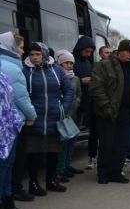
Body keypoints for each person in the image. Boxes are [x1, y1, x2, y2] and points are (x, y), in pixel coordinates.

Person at [90, 39, 130, 185]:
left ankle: (116, 172)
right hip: (109, 111)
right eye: (128, 52)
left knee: (122, 144)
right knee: (107, 144)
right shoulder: (104, 65)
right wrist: (106, 107)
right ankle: (103, 173)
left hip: (127, 112)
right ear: (120, 51)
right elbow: (96, 87)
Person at [23, 42, 73, 195]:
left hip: (54, 118)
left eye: (37, 54)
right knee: (34, 153)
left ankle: (51, 180)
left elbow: (68, 90)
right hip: (34, 119)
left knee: (53, 151)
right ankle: (33, 183)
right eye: (31, 54)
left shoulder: (57, 71)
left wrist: (63, 108)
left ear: (44, 54)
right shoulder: (25, 71)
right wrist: (29, 111)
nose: (34, 57)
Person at [0, 32, 35, 209]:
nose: (23, 52)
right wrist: (31, 115)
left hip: (7, 123)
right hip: (8, 126)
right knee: (6, 165)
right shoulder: (12, 68)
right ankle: (5, 202)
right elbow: (20, 97)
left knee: (7, 165)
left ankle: (6, 202)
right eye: (21, 47)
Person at [0, 62, 24, 209]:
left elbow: (11, 102)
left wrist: (16, 123)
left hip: (8, 130)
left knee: (8, 166)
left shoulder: (3, 76)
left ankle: (6, 198)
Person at [54, 50, 83, 182]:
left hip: (73, 114)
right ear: (60, 63)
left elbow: (78, 95)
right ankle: (58, 170)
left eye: (71, 63)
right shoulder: (56, 76)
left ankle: (66, 165)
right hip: (61, 115)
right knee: (62, 144)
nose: (69, 65)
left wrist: (76, 103)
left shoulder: (75, 78)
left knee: (71, 141)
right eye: (66, 63)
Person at [72, 36, 97, 170]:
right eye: (86, 51)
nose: (88, 54)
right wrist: (81, 81)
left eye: (90, 52)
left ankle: (67, 165)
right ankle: (63, 167)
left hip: (83, 103)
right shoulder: (72, 61)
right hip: (73, 104)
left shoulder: (88, 63)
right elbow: (68, 80)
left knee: (74, 135)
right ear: (80, 49)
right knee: (69, 136)